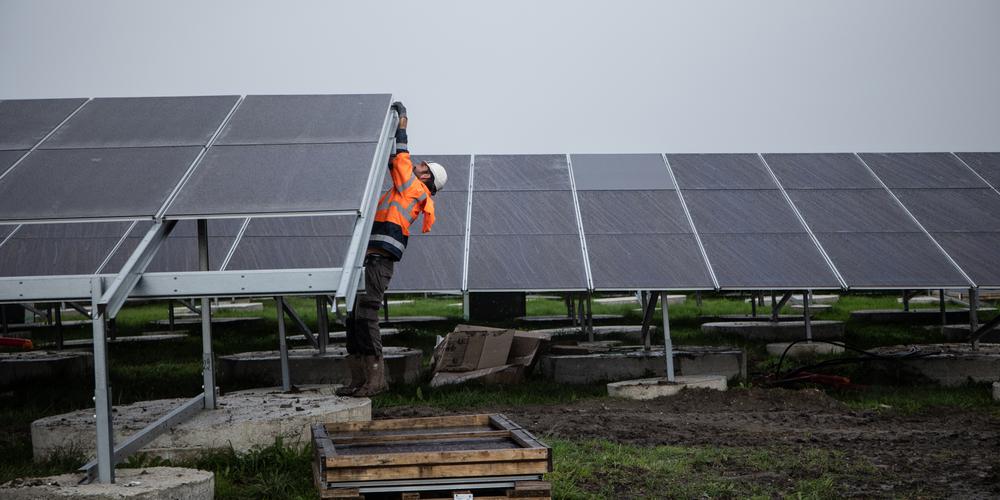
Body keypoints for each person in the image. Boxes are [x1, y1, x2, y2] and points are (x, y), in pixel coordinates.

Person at [338, 101, 447, 397]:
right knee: (352, 316)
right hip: (369, 257)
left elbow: (399, 159)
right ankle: (357, 379)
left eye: (423, 167)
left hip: (379, 261)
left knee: (366, 315)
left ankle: (376, 380)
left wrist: (402, 126)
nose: (418, 165)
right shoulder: (404, 187)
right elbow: (393, 162)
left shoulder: (414, 189)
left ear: (427, 178)